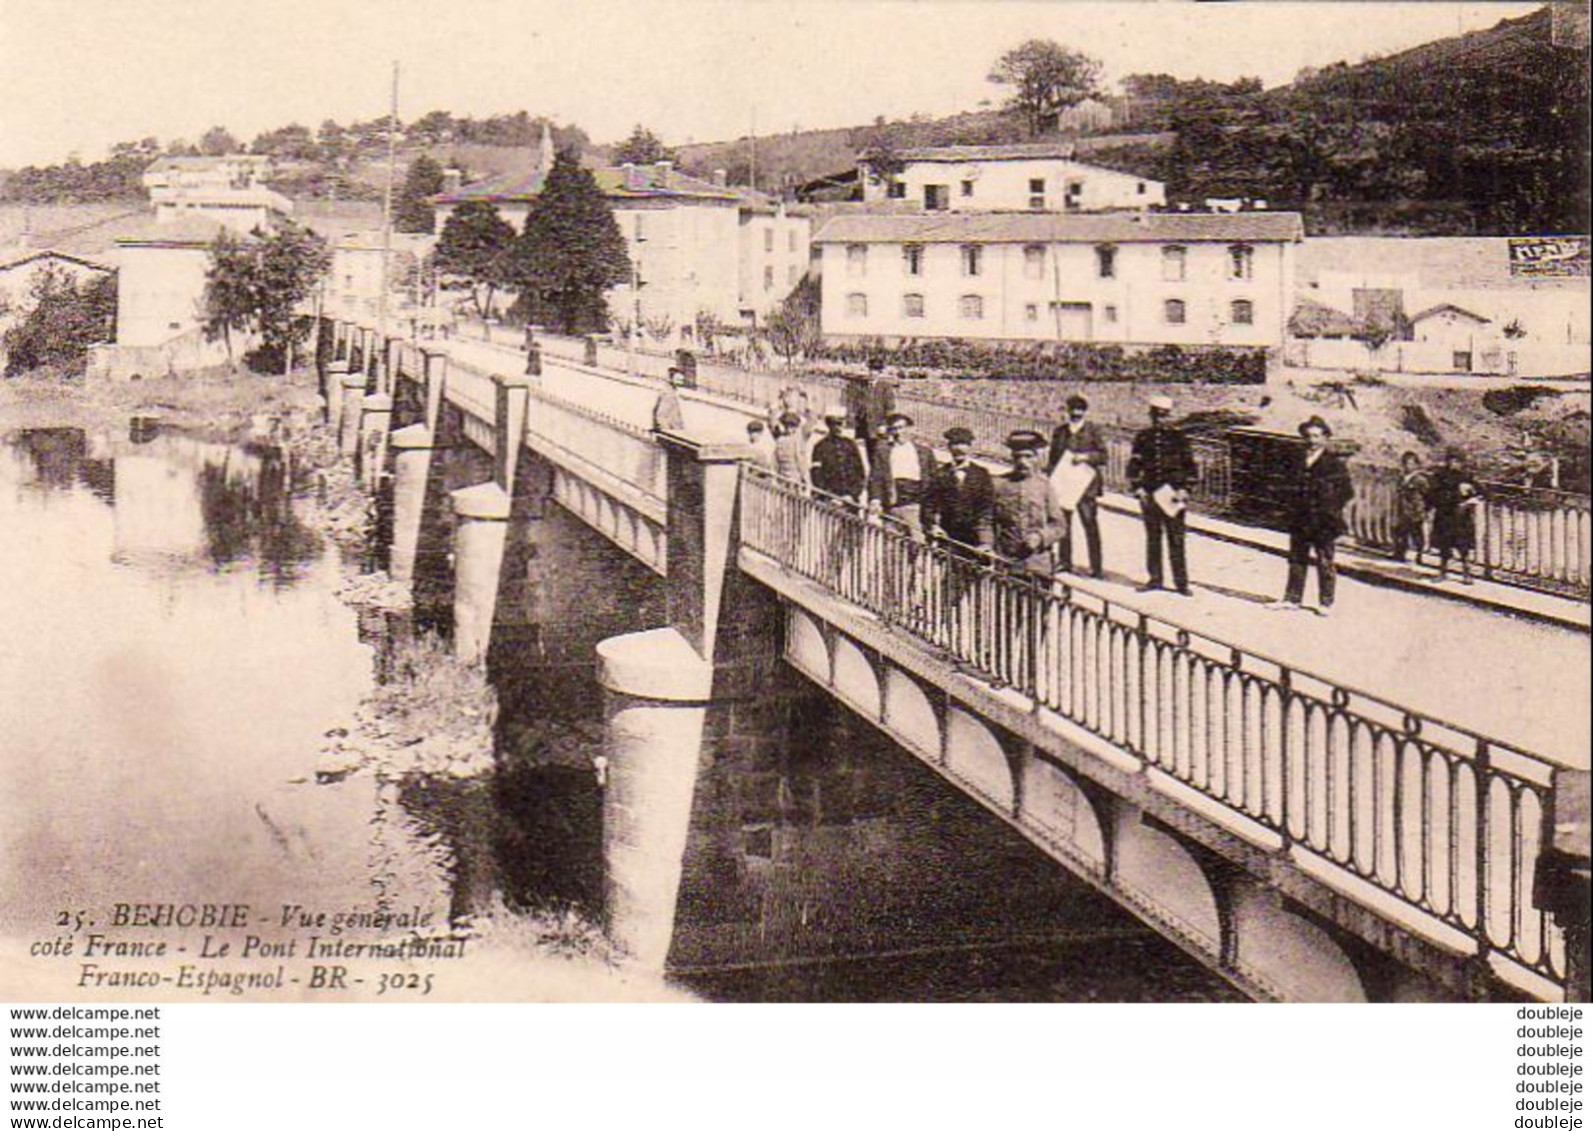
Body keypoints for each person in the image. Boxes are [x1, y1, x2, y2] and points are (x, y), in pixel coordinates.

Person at [1270, 415, 1354, 615]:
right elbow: (1288, 485)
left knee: (1325, 561)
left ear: (1325, 438)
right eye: (1308, 436)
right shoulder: (1297, 460)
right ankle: (1292, 598)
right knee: (1297, 558)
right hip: (1300, 518)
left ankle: (1326, 602)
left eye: (1316, 436)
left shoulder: (1334, 463)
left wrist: (1330, 509)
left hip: (1323, 521)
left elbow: (1347, 492)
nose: (1312, 441)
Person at [1126, 395, 1195, 595]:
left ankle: (1181, 583)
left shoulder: (1179, 438)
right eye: (1156, 416)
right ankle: (1155, 579)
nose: (1160, 420)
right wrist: (1137, 487)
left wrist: (1185, 489)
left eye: (1164, 416)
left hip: (1173, 495)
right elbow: (1134, 464)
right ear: (1151, 416)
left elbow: (1190, 466)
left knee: (1176, 538)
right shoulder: (1143, 437)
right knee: (1153, 537)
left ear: (1169, 416)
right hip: (1150, 494)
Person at [1046, 394, 1107, 578]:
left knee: (1090, 524)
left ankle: (1096, 567)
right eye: (1072, 409)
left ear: (1084, 412)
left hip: (1086, 486)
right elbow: (1053, 459)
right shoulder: (1060, 432)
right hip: (1065, 485)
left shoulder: (1093, 431)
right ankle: (1065, 562)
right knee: (1064, 524)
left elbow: (1103, 456)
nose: (1075, 413)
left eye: (1079, 410)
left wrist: (1086, 457)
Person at [992, 430, 1068, 578]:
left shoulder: (1044, 486)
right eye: (1017, 457)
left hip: (1038, 565)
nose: (1023, 462)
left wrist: (1040, 537)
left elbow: (1059, 526)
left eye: (1028, 456)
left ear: (1036, 458)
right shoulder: (999, 484)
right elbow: (987, 520)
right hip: (1008, 563)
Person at [868, 411, 937, 535]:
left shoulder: (924, 452)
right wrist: (875, 499)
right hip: (892, 504)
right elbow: (876, 476)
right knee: (891, 544)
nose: (898, 433)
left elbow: (933, 480)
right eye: (894, 429)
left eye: (901, 428)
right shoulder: (883, 451)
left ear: (911, 429)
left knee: (917, 543)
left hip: (915, 506)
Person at [1427, 447, 1482, 583]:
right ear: (1448, 461)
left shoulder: (1467, 476)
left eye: (1458, 461)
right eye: (1452, 460)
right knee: (1444, 546)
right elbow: (1433, 494)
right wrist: (1454, 494)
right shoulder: (1439, 475)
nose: (1455, 464)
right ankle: (1442, 572)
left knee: (1463, 547)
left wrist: (1472, 497)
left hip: (1462, 516)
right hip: (1445, 514)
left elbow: (1482, 492)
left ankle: (1466, 573)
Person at [809, 406, 868, 507]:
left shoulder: (850, 445)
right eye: (834, 423)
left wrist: (852, 495)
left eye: (841, 423)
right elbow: (816, 475)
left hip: (850, 501)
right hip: (829, 502)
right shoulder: (820, 447)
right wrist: (830, 496)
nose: (839, 427)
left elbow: (860, 472)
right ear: (828, 425)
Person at [1392, 450, 1429, 565]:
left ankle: (1419, 555)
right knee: (1401, 532)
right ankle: (1400, 553)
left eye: (1411, 464)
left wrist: (1423, 509)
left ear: (1416, 465)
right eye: (1406, 464)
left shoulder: (1420, 479)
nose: (1408, 466)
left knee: (1416, 534)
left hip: (1415, 511)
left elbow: (1426, 494)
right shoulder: (1401, 478)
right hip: (1403, 510)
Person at [772, 411, 811, 487]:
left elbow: (800, 460)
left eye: (791, 426)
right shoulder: (782, 440)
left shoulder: (794, 440)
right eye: (787, 426)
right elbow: (775, 460)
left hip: (791, 477)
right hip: (785, 476)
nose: (789, 429)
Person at [652, 368, 687, 433]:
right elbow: (661, 414)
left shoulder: (670, 391)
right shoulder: (668, 393)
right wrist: (667, 431)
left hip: (674, 429)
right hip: (671, 431)